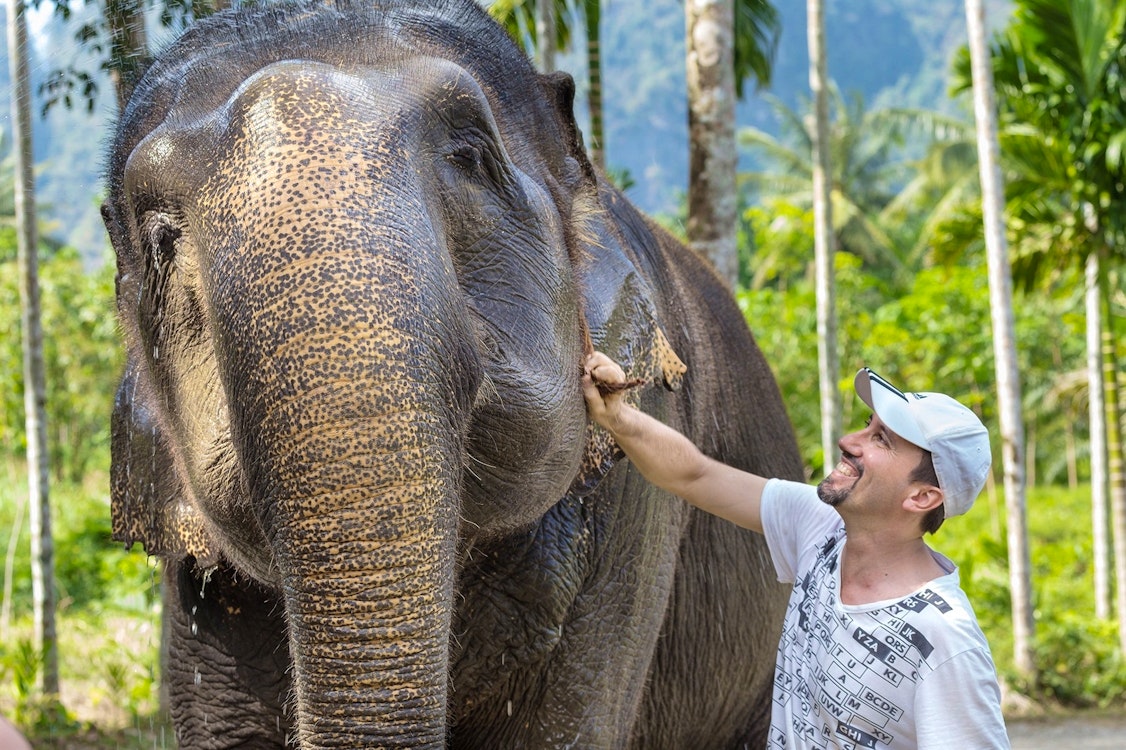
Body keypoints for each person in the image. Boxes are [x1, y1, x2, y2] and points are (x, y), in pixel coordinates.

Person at [582, 352, 1009, 749]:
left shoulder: (945, 640)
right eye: (867, 424)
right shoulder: (823, 527)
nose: (849, 440)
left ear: (922, 497)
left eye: (882, 440)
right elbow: (695, 475)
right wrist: (619, 416)